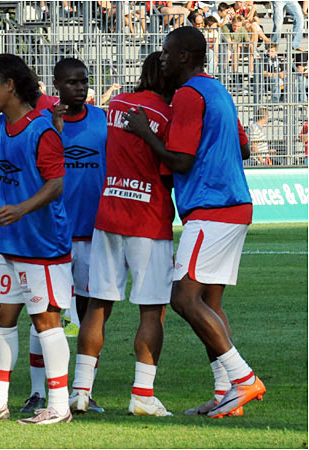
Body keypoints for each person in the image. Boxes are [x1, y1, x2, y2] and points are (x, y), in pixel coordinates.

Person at [124, 26, 265, 419]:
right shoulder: (217, 89)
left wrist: (144, 134)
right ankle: (226, 395)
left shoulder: (188, 94)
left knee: (183, 298)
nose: (163, 58)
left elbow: (180, 161)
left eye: (168, 53)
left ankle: (243, 378)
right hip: (233, 205)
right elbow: (244, 147)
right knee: (210, 302)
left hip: (211, 208)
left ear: (185, 56)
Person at [0, 53, 73, 425]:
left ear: (10, 86)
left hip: (43, 245)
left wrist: (20, 209)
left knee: (46, 321)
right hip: (12, 244)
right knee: (1, 318)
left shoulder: (42, 129)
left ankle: (60, 405)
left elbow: (56, 185)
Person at [72, 52, 175, 417]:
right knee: (152, 309)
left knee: (98, 305)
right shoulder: (166, 114)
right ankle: (142, 395)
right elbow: (171, 167)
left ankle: (80, 392)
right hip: (147, 217)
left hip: (109, 212)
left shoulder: (116, 105)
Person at [23, 58, 107, 416]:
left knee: (89, 312)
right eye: (71, 82)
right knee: (46, 311)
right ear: (55, 83)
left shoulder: (102, 120)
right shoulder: (43, 124)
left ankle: (81, 390)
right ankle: (38, 390)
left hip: (92, 232)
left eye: (83, 82)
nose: (79, 88)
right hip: (53, 234)